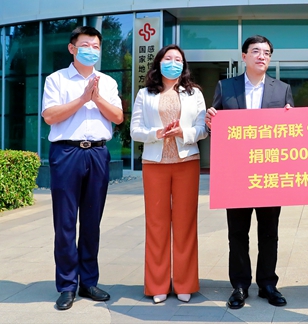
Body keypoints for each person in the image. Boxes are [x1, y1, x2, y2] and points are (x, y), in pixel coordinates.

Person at [205, 35, 293, 309]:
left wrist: (292, 120)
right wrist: (210, 122)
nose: (261, 56)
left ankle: (268, 283)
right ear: (244, 56)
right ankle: (240, 285)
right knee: (237, 233)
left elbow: (291, 133)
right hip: (236, 174)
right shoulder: (226, 86)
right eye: (255, 51)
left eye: (266, 52)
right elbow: (215, 127)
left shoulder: (283, 90)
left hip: (269, 172)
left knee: (269, 232)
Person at [41, 26, 124, 310]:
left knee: (91, 222)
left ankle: (88, 281)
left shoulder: (107, 82)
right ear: (72, 48)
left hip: (97, 153)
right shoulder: (57, 79)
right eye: (85, 45)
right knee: (65, 222)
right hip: (67, 153)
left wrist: (97, 97)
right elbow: (50, 116)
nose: (91, 50)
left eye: (96, 46)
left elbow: (118, 116)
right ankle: (67, 285)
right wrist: (82, 99)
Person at [130, 44, 208, 304]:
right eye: (168, 58)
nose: (173, 63)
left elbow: (202, 129)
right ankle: (157, 284)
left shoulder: (194, 93)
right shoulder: (145, 94)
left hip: (187, 161)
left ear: (183, 65)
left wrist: (183, 133)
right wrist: (157, 133)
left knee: (186, 223)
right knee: (156, 224)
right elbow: (135, 130)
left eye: (178, 59)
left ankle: (185, 283)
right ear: (159, 63)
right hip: (154, 163)